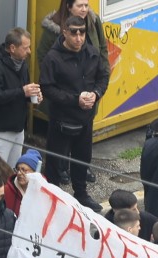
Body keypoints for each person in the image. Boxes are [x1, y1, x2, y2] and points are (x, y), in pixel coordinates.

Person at [39, 14, 109, 209]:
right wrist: (75, 100)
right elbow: (47, 87)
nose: (78, 38)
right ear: (65, 33)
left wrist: (95, 94)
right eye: (74, 33)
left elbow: (103, 76)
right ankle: (52, 199)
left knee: (82, 159)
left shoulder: (92, 52)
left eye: (82, 32)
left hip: (85, 119)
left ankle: (81, 194)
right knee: (55, 162)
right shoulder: (53, 58)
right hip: (61, 120)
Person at [0, 28, 38, 166]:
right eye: (26, 48)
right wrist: (22, 92)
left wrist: (31, 96)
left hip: (17, 129)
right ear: (12, 48)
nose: (29, 52)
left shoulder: (22, 63)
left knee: (12, 172)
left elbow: (22, 91)